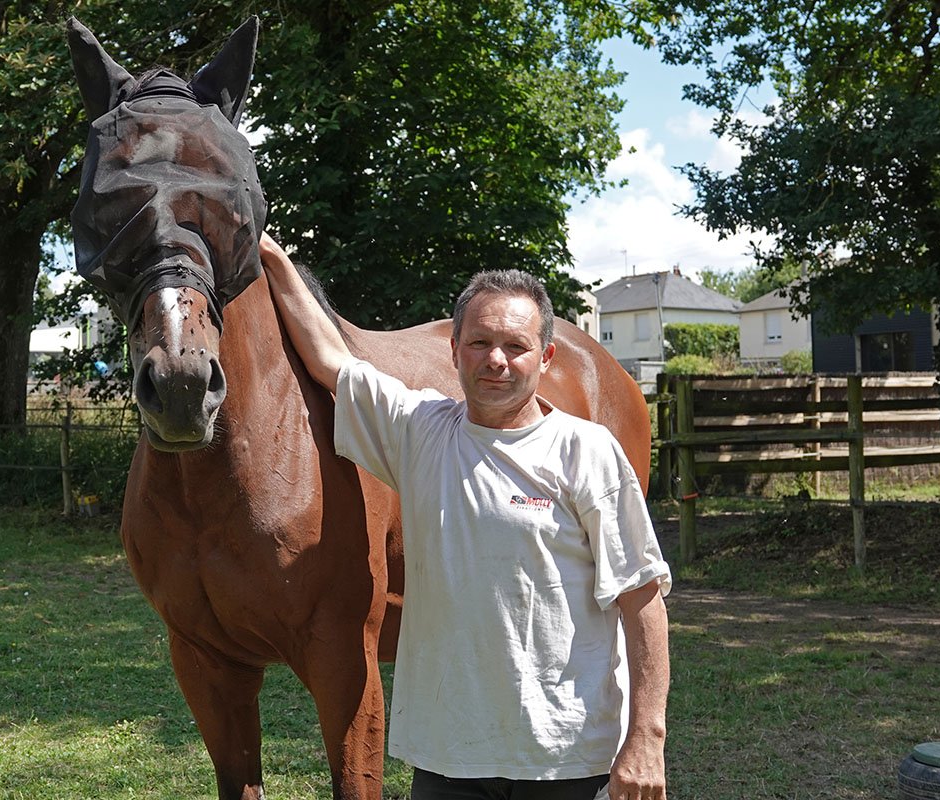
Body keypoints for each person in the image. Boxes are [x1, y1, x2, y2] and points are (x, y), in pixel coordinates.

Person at [259, 234, 672, 800]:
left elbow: (642, 598)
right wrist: (271, 255)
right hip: (450, 757)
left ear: (545, 358)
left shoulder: (587, 452)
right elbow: (331, 360)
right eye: (480, 342)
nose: (496, 360)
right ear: (454, 351)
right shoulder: (420, 431)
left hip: (567, 756)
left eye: (515, 346)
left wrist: (647, 737)